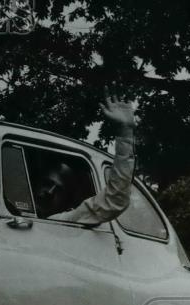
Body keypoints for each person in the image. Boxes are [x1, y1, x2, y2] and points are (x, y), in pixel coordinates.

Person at [36, 96, 136, 224]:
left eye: (59, 190)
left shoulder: (61, 222)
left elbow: (114, 200)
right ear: (36, 182)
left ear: (66, 200)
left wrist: (125, 132)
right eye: (47, 183)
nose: (49, 193)